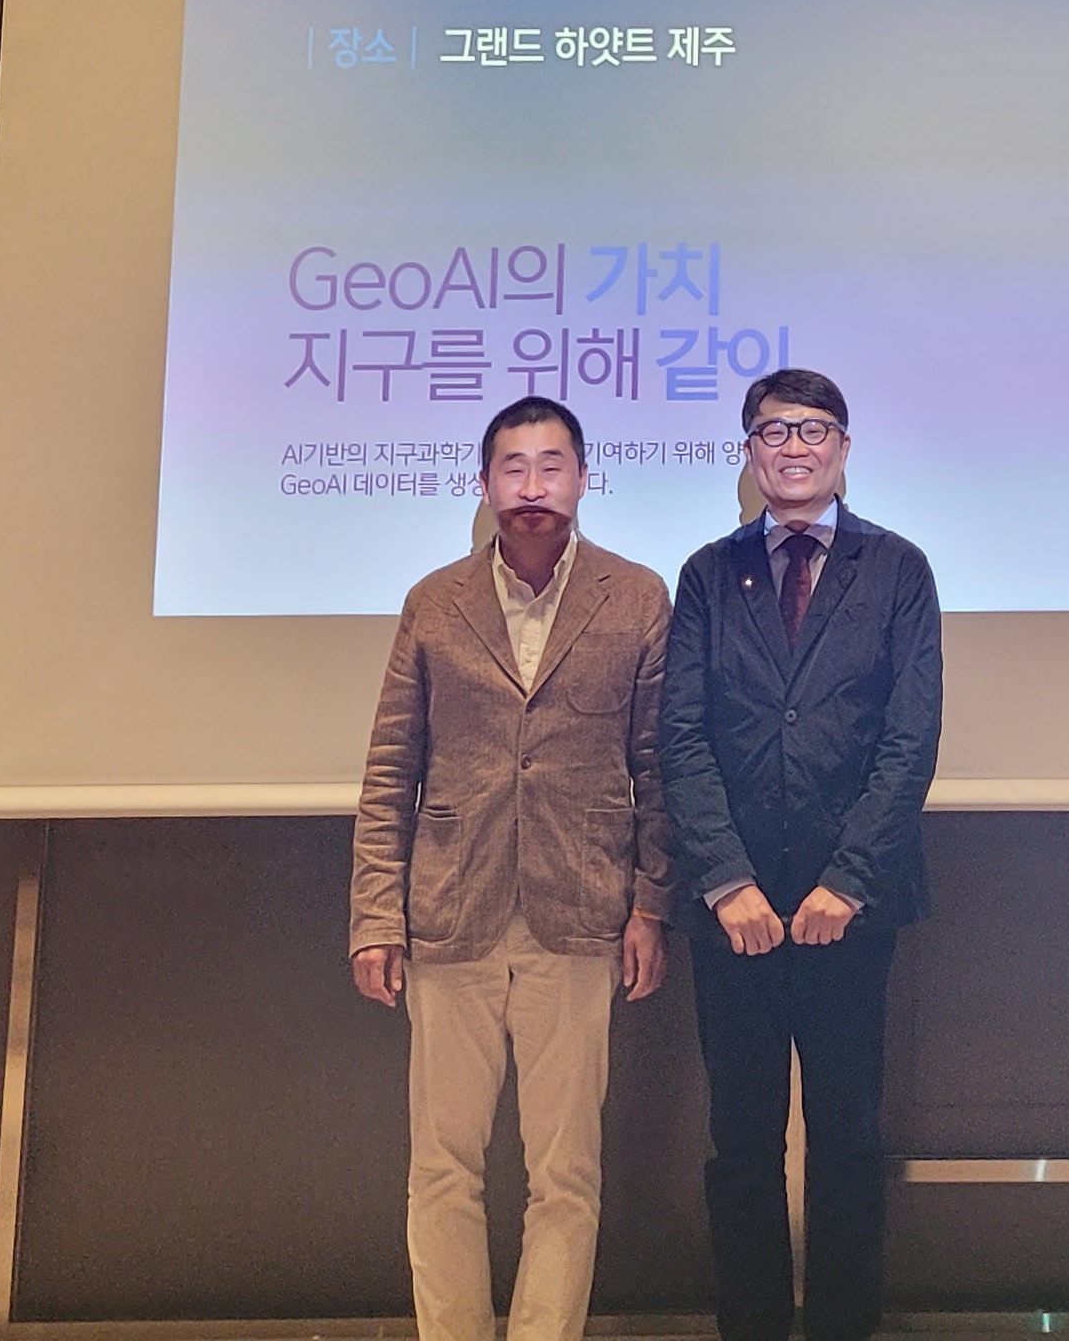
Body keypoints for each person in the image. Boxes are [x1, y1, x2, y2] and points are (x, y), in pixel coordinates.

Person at [352, 396, 675, 1341]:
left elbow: (659, 768)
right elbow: (390, 768)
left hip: (582, 912)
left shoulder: (636, 596)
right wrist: (375, 916)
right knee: (442, 1168)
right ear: (485, 482)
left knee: (565, 1174)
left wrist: (651, 906)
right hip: (450, 911)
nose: (533, 485)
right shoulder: (434, 601)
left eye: (551, 465)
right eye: (513, 467)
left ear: (583, 477)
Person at [658, 368, 944, 1341]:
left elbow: (910, 738)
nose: (794, 447)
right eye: (774, 430)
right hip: (733, 910)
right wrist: (726, 880)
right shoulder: (708, 574)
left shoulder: (897, 568)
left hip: (850, 909)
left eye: (814, 429)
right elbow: (681, 738)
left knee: (849, 1140)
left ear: (844, 449)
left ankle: (842, 1327)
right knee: (739, 1140)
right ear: (749, 451)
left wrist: (847, 882)